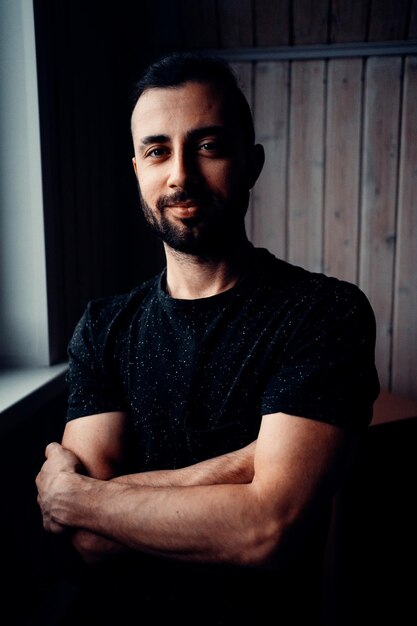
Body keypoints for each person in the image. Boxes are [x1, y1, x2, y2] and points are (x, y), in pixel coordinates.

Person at [36, 51, 380, 625]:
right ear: (137, 170)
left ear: (252, 163)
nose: (179, 175)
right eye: (157, 150)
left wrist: (81, 498)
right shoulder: (103, 327)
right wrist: (240, 467)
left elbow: (266, 530)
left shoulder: (324, 314)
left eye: (209, 146)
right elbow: (86, 542)